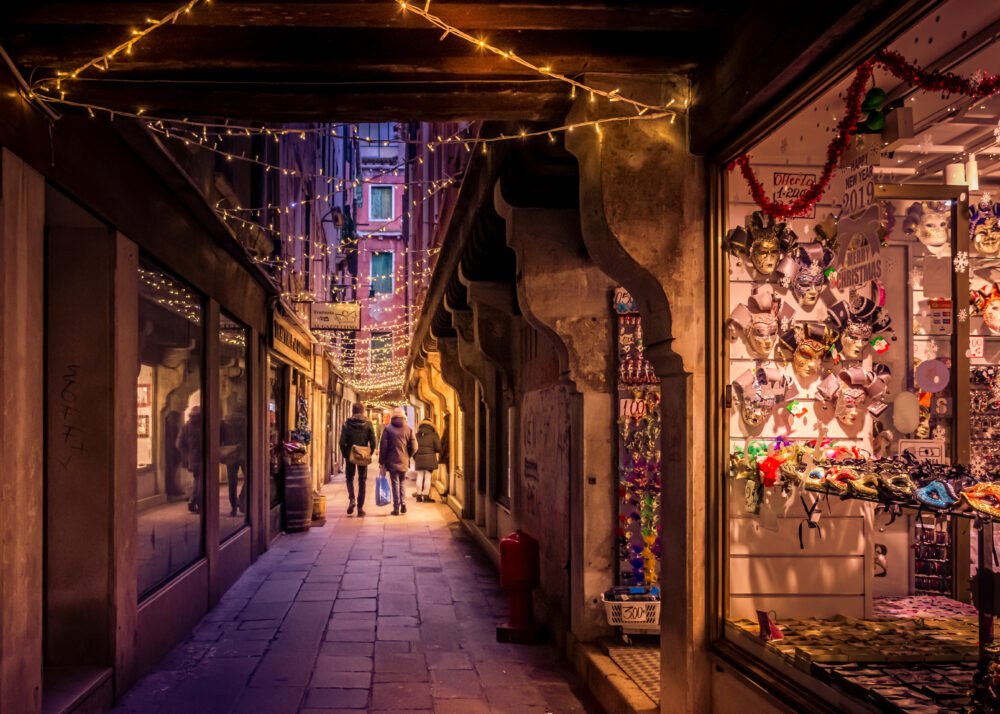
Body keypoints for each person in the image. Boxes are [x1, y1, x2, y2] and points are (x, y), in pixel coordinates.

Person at [378, 406, 417, 516]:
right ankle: (403, 503)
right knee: (402, 482)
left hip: (391, 460)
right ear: (404, 416)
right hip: (404, 460)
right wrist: (408, 455)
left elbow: (383, 447)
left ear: (393, 417)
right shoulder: (408, 429)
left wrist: (381, 461)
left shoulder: (388, 429)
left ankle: (396, 508)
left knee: (395, 483)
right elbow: (414, 446)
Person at [339, 403, 376, 516]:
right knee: (362, 480)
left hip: (351, 454)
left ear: (353, 411)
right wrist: (369, 453)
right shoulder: (368, 424)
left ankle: (352, 499)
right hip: (363, 455)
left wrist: (347, 454)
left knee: (349, 478)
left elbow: (341, 442)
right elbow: (373, 442)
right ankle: (360, 508)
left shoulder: (347, 424)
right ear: (363, 411)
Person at [413, 418, 442, 503]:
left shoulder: (416, 435)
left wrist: (416, 456)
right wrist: (433, 451)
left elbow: (413, 447)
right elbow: (438, 448)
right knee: (428, 477)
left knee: (420, 476)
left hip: (419, 458)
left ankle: (418, 496)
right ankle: (425, 496)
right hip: (430, 458)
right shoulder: (434, 434)